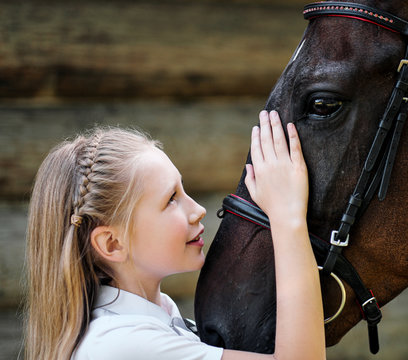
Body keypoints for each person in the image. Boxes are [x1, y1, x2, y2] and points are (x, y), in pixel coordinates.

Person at [23, 110, 325, 360]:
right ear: (112, 244)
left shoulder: (159, 318)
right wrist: (287, 218)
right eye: (171, 199)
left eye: (183, 190)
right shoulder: (119, 344)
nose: (197, 210)